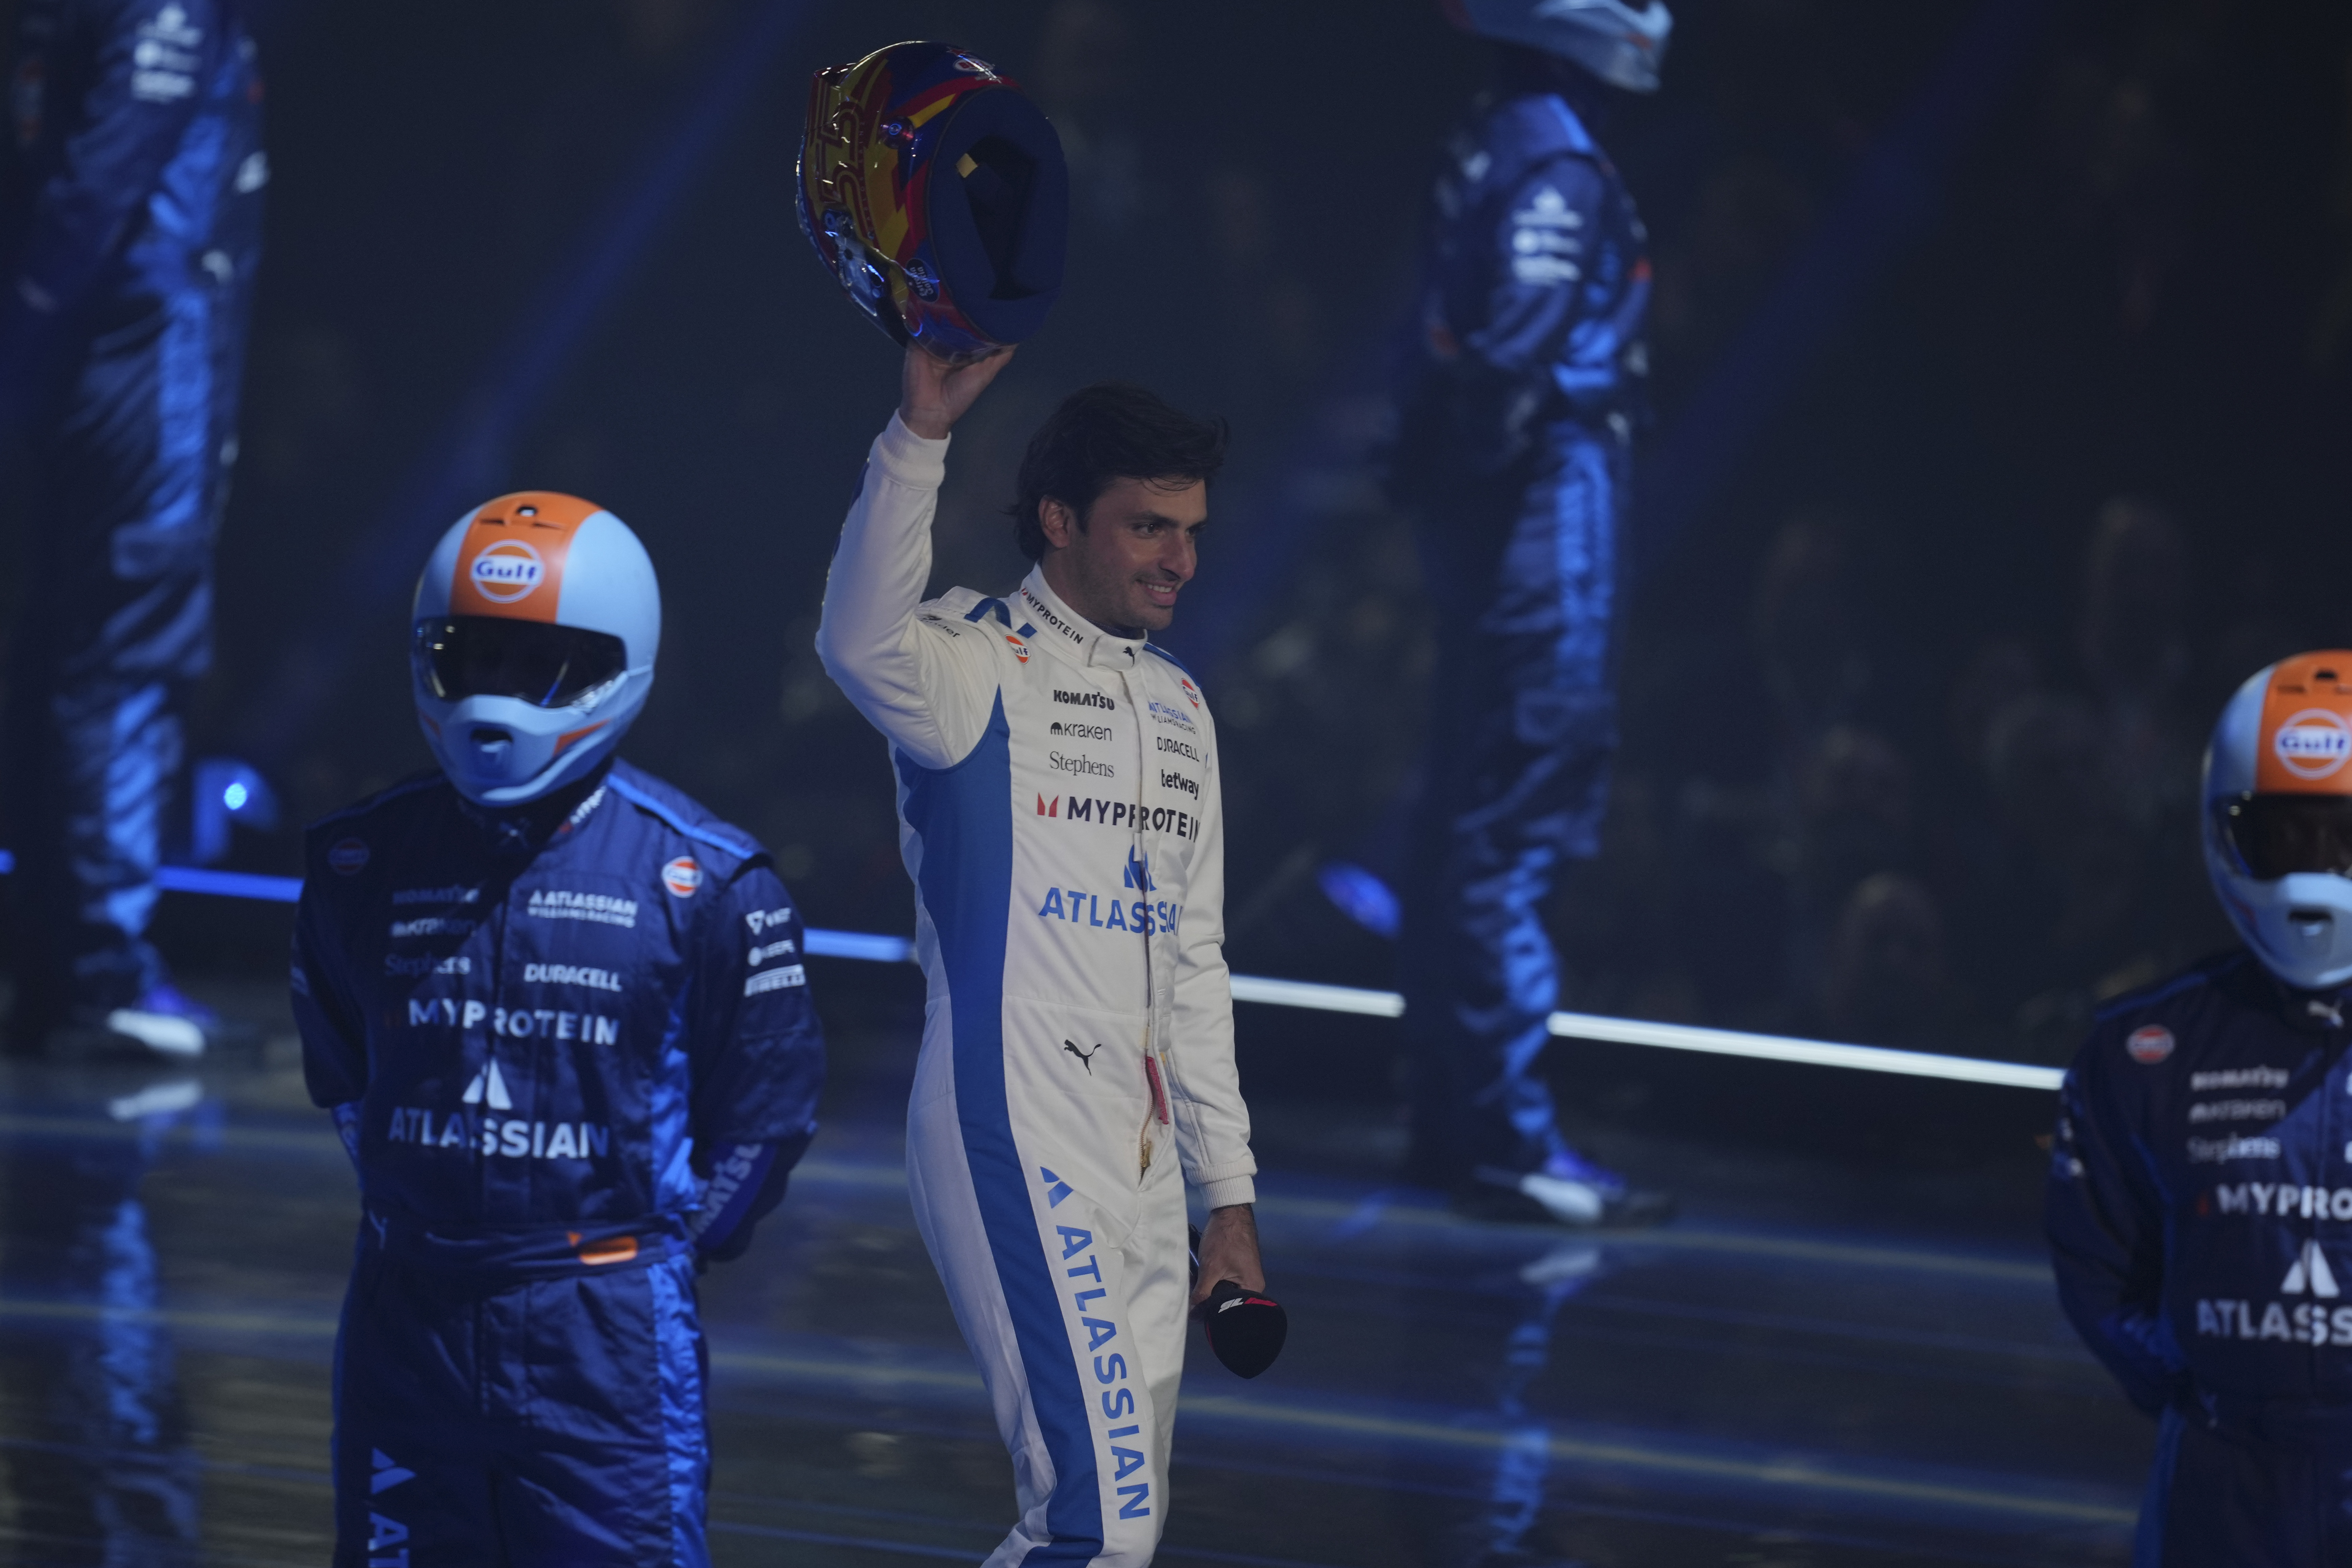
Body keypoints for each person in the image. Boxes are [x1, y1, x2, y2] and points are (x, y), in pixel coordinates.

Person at [291, 492, 825, 1567]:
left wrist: (638, 1254)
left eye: (535, 664)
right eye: (469, 655)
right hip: (409, 1314)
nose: (495, 699)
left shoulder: (709, 880)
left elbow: (764, 1126)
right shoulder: (358, 860)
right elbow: (348, 1079)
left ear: (617, 663)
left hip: (607, 1328)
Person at [816, 346, 1262, 1568]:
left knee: (1119, 1537)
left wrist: (1228, 1199)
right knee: (1094, 1525)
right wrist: (917, 437)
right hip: (1011, 1121)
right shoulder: (968, 666)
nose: (1179, 558)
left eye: (1191, 530)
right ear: (1060, 520)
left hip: (1146, 1164)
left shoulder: (1181, 708)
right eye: (1148, 527)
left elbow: (1197, 963)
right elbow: (854, 639)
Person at [1387, 0, 1674, 1226]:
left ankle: (1454, 1121)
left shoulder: (1498, 133)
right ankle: (1504, 1134)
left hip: (1503, 526)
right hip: (1546, 523)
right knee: (1514, 819)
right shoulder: (1553, 150)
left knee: (1469, 820)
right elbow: (1507, 364)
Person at [0, 0, 267, 1060]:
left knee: (66, 645)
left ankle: (55, 958)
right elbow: (100, 185)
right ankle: (97, 970)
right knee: (124, 641)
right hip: (145, 354)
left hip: (95, 359)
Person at [2050, 649, 2352, 1565]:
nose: (2315, 874)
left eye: (2344, 837)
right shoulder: (2144, 1050)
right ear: (2225, 832)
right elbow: (2100, 1273)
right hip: (2222, 1473)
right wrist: (2218, 1388)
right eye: (2284, 837)